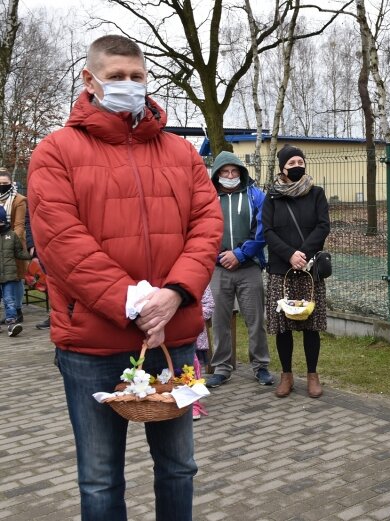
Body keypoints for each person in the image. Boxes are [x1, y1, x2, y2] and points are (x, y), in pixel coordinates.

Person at [27, 35, 223, 520]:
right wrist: (134, 300)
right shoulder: (56, 152)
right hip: (90, 342)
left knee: (180, 467)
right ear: (90, 80)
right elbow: (61, 242)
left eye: (137, 77)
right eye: (116, 77)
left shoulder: (180, 152)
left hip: (170, 339)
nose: (129, 85)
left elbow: (207, 225)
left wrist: (175, 294)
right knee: (99, 478)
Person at [262, 144, 330, 399]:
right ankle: (286, 375)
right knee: (283, 326)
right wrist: (289, 254)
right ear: (282, 168)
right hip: (282, 269)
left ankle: (313, 375)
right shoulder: (272, 197)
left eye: (300, 162)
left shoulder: (317, 193)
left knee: (311, 324)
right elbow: (267, 231)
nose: (296, 167)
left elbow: (323, 226)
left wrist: (302, 253)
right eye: (291, 164)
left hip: (309, 269)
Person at [204, 151, 274, 388]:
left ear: (241, 173)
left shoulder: (255, 195)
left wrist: (241, 254)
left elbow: (263, 230)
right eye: (225, 172)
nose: (230, 176)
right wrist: (219, 257)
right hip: (218, 268)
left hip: (249, 267)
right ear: (217, 174)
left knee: (255, 320)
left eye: (234, 171)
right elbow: (200, 231)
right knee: (219, 320)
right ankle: (222, 368)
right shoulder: (207, 197)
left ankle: (261, 366)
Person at [0, 169, 28, 324]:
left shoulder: (19, 200)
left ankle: (17, 311)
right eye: (0, 184)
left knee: (15, 277)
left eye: (5, 184)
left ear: (11, 183)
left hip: (13, 243)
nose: (2, 186)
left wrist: (9, 242)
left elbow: (19, 225)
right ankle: (9, 311)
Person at [0, 206, 31, 336]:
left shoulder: (12, 235)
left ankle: (12, 324)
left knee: (9, 299)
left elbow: (19, 253)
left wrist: (31, 254)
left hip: (9, 274)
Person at [193, 285, 214, 420]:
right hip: (167, 335)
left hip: (193, 333)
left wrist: (193, 316)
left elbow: (209, 305)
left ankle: (194, 402)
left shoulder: (200, 281)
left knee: (193, 368)